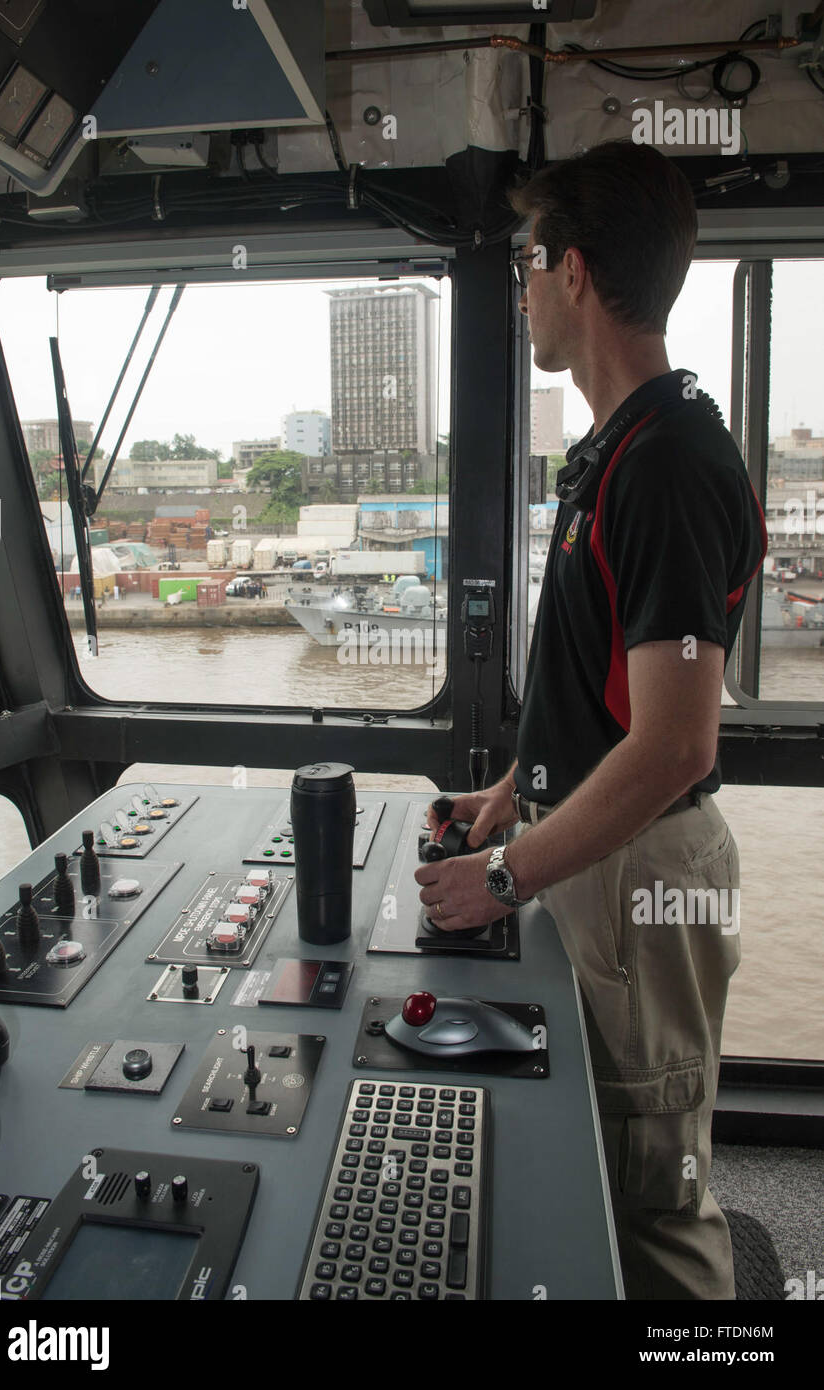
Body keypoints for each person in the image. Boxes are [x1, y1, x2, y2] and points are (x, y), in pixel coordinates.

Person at [414, 139, 767, 1300]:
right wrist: (514, 792)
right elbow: (598, 696)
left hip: (640, 870)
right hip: (594, 851)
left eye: (524, 263)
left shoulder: (666, 461)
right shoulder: (613, 450)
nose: (516, 291)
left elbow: (674, 745)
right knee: (596, 1159)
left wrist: (505, 873)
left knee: (652, 1193)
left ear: (571, 272)